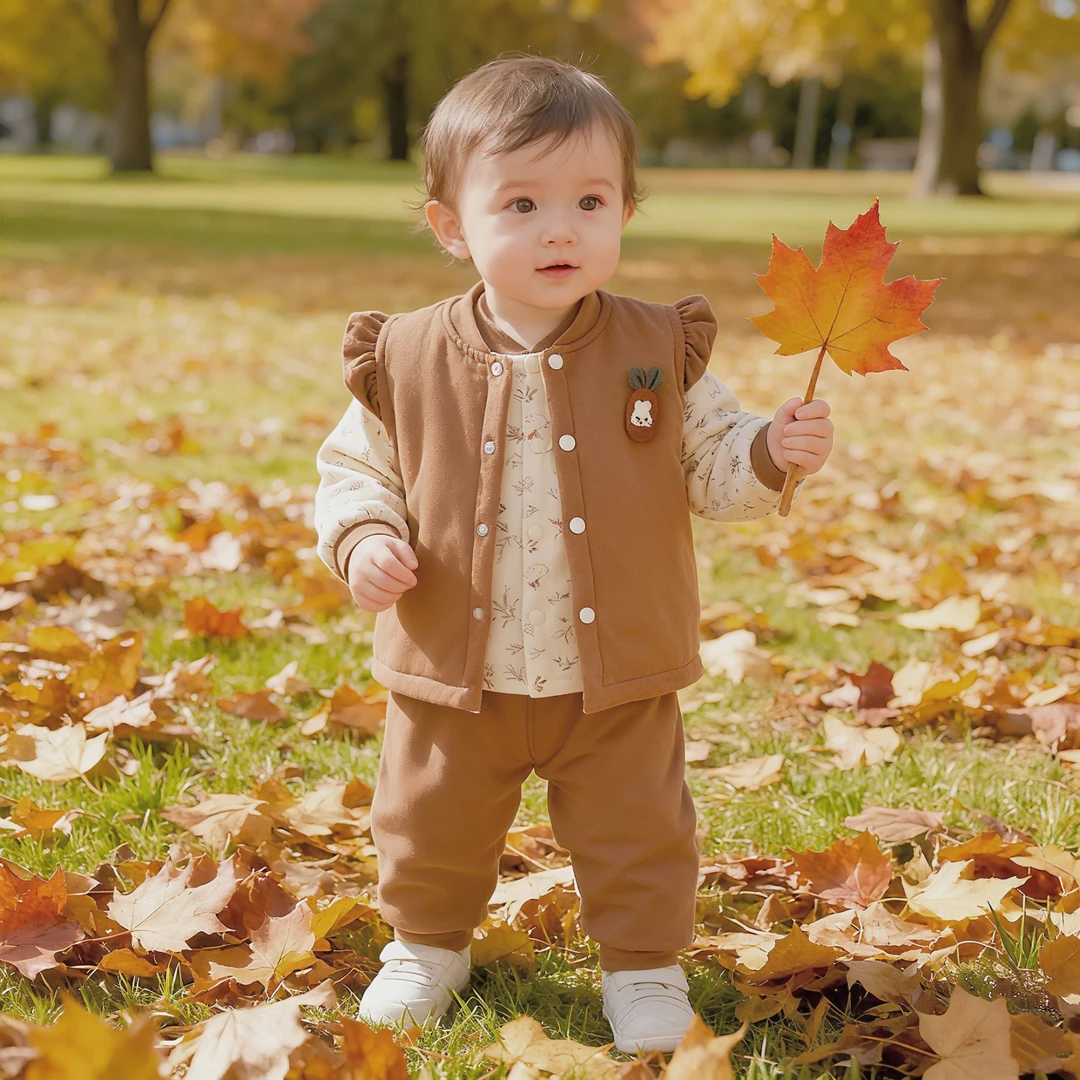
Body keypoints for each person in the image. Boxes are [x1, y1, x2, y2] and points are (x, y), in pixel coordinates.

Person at [313, 54, 834, 1054]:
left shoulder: (656, 349)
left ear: (624, 213)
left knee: (639, 827)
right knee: (428, 817)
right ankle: (427, 944)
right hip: (455, 670)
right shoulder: (407, 356)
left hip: (616, 670)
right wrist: (365, 536)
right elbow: (354, 470)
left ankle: (643, 964)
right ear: (452, 226)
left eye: (589, 200)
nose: (561, 228)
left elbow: (714, 468)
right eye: (521, 203)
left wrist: (769, 450)